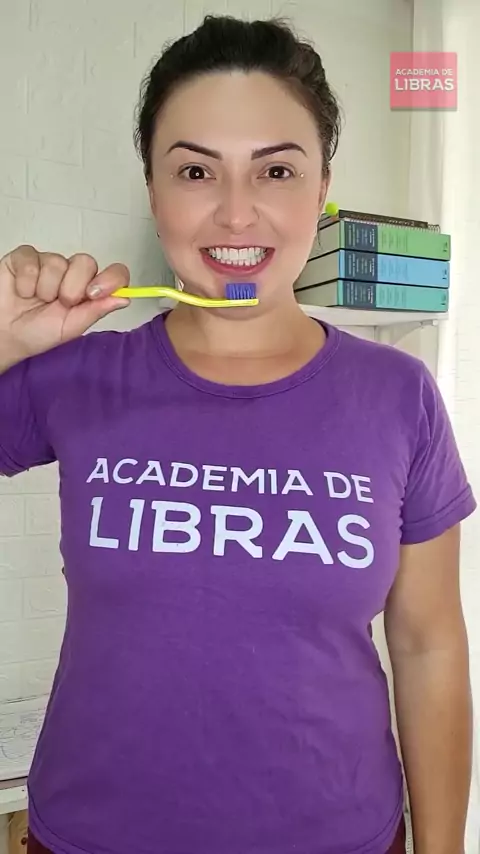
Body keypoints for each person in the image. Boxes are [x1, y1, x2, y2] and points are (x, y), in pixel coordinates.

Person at [0, 14, 475, 854]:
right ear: (154, 191)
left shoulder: (398, 396)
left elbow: (429, 644)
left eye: (276, 170)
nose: (235, 213)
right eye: (195, 171)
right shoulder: (75, 374)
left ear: (322, 188)